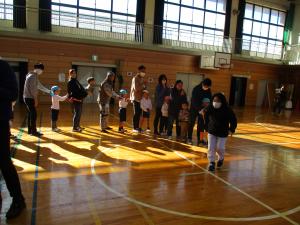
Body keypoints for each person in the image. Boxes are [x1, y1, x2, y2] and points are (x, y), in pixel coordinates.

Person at [0, 59, 26, 219]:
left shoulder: (2, 66)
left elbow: (13, 93)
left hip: (0, 121)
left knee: (4, 162)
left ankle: (18, 200)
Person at [203, 93, 237, 172]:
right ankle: (211, 162)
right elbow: (205, 115)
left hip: (223, 132)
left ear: (222, 101)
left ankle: (221, 158)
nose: (215, 102)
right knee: (211, 147)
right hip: (212, 131)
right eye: (214, 100)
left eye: (218, 101)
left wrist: (232, 129)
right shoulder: (210, 107)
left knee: (220, 148)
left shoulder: (227, 109)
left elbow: (233, 119)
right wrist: (206, 127)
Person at [23, 63, 48, 136]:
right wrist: (36, 99)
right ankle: (33, 132)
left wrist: (49, 91)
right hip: (30, 98)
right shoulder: (33, 76)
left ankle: (30, 131)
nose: (42, 72)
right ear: (38, 69)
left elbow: (39, 86)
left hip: (27, 97)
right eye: (42, 70)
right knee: (33, 115)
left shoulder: (31, 75)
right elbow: (33, 90)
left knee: (30, 114)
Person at [187, 78, 212, 145]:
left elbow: (209, 99)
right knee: (191, 123)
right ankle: (189, 138)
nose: (207, 88)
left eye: (208, 87)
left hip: (203, 110)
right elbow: (194, 101)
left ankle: (200, 140)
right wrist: (199, 109)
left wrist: (205, 109)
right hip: (194, 108)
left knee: (201, 125)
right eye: (206, 86)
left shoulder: (208, 90)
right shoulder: (196, 89)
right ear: (203, 84)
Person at [130, 65, 146, 133]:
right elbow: (136, 88)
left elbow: (142, 87)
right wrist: (143, 85)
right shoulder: (135, 78)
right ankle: (134, 127)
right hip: (135, 98)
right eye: (142, 71)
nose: (144, 72)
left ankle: (138, 127)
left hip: (140, 98)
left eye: (144, 71)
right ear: (139, 71)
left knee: (139, 114)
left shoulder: (141, 78)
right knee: (136, 113)